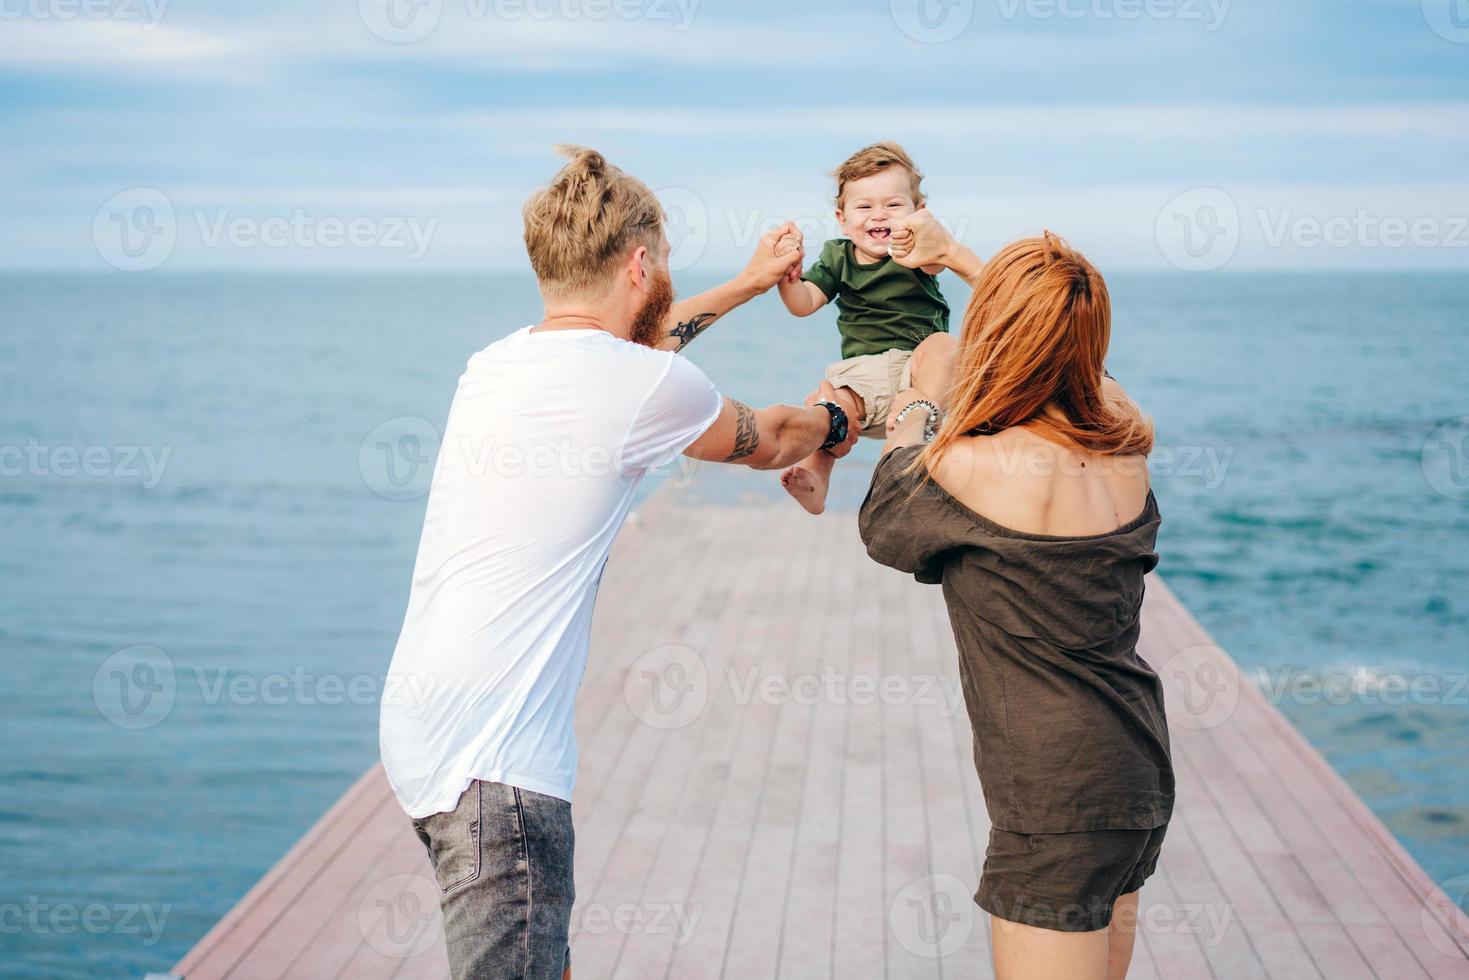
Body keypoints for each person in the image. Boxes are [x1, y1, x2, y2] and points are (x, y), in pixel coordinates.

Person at [378, 146, 857, 980]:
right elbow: (775, 437)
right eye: (664, 259)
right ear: (640, 265)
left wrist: (748, 285)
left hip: (422, 730)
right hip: (499, 771)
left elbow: (638, 351)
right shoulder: (637, 386)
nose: (667, 274)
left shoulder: (493, 365)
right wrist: (844, 414)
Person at [862, 218, 1173, 980]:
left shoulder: (979, 468)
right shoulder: (1123, 442)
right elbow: (1077, 365)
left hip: (1056, 799)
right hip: (1133, 767)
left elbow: (883, 521)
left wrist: (917, 398)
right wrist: (962, 261)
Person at [773, 141, 967, 514]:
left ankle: (907, 440)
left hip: (920, 375)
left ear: (918, 212)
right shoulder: (837, 257)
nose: (879, 216)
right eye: (864, 207)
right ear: (842, 219)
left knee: (945, 346)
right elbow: (805, 303)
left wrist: (924, 236)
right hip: (862, 378)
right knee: (827, 406)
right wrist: (787, 277)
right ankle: (817, 478)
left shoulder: (917, 253)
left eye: (893, 205)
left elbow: (938, 263)